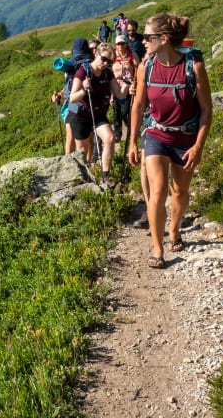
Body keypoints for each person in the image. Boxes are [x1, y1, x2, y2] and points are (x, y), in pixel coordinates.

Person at [127, 14, 212, 269]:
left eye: (148, 37)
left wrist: (198, 146)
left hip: (185, 137)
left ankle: (174, 229)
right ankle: (157, 247)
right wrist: (132, 141)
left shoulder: (193, 66)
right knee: (158, 190)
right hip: (156, 134)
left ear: (164, 39)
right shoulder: (145, 67)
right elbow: (139, 105)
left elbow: (206, 109)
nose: (143, 41)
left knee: (180, 191)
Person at [67, 42, 126, 187]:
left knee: (110, 138)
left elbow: (119, 94)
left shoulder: (107, 73)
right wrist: (84, 89)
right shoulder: (83, 71)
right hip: (81, 115)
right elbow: (73, 97)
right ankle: (84, 180)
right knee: (82, 151)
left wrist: (127, 84)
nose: (106, 63)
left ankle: (105, 177)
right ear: (96, 54)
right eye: (104, 59)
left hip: (98, 113)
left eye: (109, 61)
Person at [112, 34, 140, 142]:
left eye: (122, 43)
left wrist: (135, 81)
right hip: (116, 86)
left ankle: (132, 129)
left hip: (128, 86)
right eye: (118, 44)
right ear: (116, 45)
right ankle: (117, 133)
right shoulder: (114, 56)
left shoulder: (132, 54)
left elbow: (138, 67)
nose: (120, 46)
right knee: (116, 111)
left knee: (124, 111)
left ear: (126, 44)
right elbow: (110, 69)